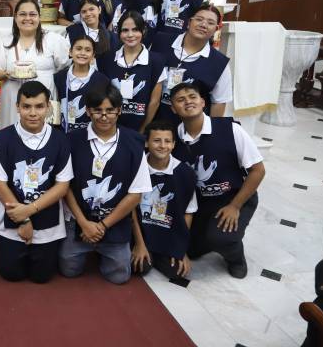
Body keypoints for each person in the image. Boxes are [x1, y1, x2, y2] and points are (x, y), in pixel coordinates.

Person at [169, 82, 265, 278]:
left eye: (192, 97)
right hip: (202, 204)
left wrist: (235, 206)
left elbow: (258, 170)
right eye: (180, 99)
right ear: (173, 108)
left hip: (234, 198)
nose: (188, 101)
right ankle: (210, 238)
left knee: (221, 238)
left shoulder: (230, 129)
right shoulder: (172, 138)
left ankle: (235, 257)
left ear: (203, 102)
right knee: (192, 250)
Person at [59, 84, 152, 284]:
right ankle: (89, 245)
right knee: (69, 269)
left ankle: (103, 247)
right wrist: (85, 224)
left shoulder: (134, 143)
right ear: (88, 111)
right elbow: (64, 186)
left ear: (119, 110)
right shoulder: (71, 140)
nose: (104, 116)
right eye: (97, 110)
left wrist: (101, 227)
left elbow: (135, 194)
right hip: (79, 221)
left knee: (119, 277)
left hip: (113, 222)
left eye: (110, 110)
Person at [0, 81, 72, 283]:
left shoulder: (61, 140)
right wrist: (23, 219)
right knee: (11, 273)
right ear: (17, 107)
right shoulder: (1, 140)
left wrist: (29, 210)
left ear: (48, 107)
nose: (33, 113)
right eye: (26, 107)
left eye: (39, 106)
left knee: (42, 277)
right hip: (12, 213)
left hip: (47, 215)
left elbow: (62, 186)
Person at [131, 120, 197, 281]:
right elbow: (130, 209)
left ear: (174, 144)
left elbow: (189, 212)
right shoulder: (136, 167)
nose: (162, 146)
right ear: (146, 143)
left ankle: (159, 253)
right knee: (139, 267)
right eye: (156, 140)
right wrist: (139, 244)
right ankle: (144, 250)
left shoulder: (185, 172)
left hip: (167, 234)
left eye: (167, 141)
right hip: (140, 232)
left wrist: (180, 248)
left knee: (178, 272)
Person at [0, 0, 70, 131]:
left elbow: (65, 66)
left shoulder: (53, 40)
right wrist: (7, 73)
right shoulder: (4, 42)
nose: (27, 18)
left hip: (43, 99)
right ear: (15, 17)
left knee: (42, 140)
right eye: (22, 14)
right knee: (12, 138)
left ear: (39, 17)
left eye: (32, 14)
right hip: (13, 99)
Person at [151, 5, 232, 121]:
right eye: (199, 19)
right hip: (155, 127)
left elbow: (218, 104)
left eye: (210, 23)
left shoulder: (219, 63)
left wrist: (211, 136)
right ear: (189, 22)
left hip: (190, 130)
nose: (203, 25)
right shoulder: (160, 42)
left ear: (216, 29)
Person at [97, 11, 166, 132]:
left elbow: (154, 102)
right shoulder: (106, 58)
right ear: (119, 32)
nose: (130, 35)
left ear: (143, 31)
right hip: (109, 128)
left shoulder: (156, 61)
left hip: (139, 128)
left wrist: (142, 130)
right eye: (125, 30)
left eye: (135, 30)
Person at [53, 35, 111, 134]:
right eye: (78, 49)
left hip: (89, 136)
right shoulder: (59, 77)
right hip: (62, 134)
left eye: (88, 50)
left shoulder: (102, 81)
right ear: (70, 52)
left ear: (93, 55)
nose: (82, 53)